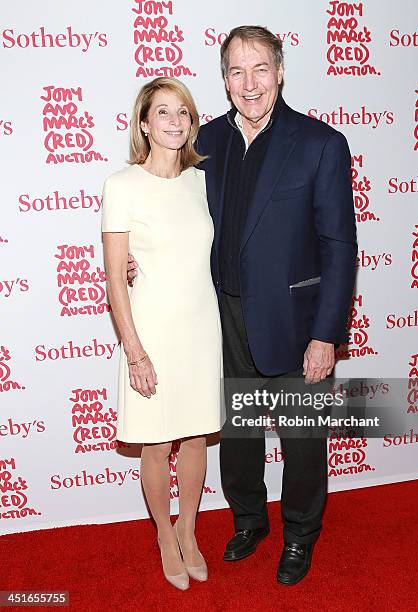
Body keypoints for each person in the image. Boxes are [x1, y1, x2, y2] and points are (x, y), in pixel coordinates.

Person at [128, 25, 357, 586]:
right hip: (220, 317)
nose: (249, 83)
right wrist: (136, 259)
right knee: (239, 432)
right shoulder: (205, 142)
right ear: (224, 78)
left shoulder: (320, 143)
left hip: (296, 323)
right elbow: (169, 213)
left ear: (280, 71)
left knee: (302, 440)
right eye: (236, 70)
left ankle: (300, 534)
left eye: (260, 69)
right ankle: (249, 521)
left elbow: (340, 246)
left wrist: (326, 335)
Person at [102, 77, 222, 591]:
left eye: (183, 113)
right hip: (150, 330)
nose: (175, 121)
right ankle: (163, 536)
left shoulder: (203, 180)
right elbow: (114, 281)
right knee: (155, 444)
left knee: (195, 438)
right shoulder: (121, 186)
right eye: (163, 113)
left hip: (201, 326)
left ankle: (189, 530)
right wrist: (135, 351)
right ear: (145, 124)